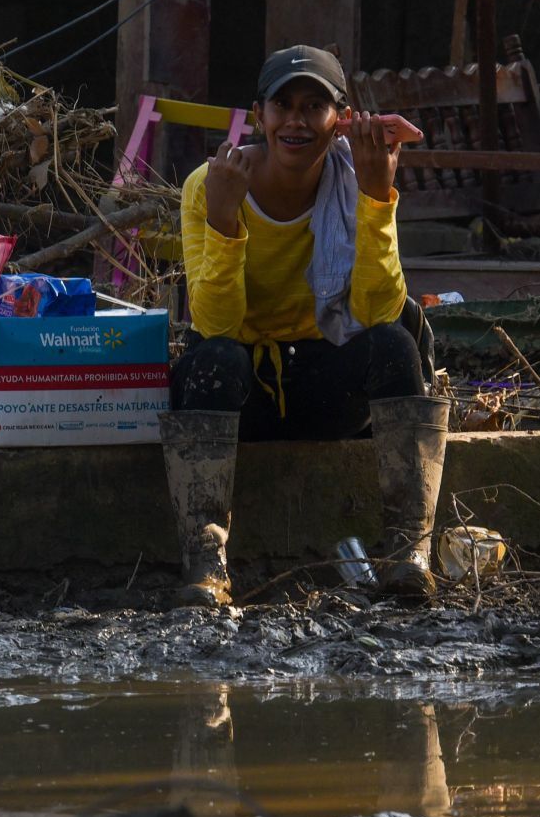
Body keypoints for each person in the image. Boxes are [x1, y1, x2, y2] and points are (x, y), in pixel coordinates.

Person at [159, 45, 451, 607]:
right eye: (282, 105)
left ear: (339, 117)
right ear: (258, 115)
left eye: (313, 106)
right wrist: (224, 219)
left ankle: (406, 553)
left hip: (324, 389)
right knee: (213, 361)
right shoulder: (211, 184)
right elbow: (217, 325)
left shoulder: (354, 178)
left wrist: (375, 199)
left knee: (393, 343)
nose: (296, 121)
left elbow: (378, 310)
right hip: (243, 398)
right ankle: (206, 563)